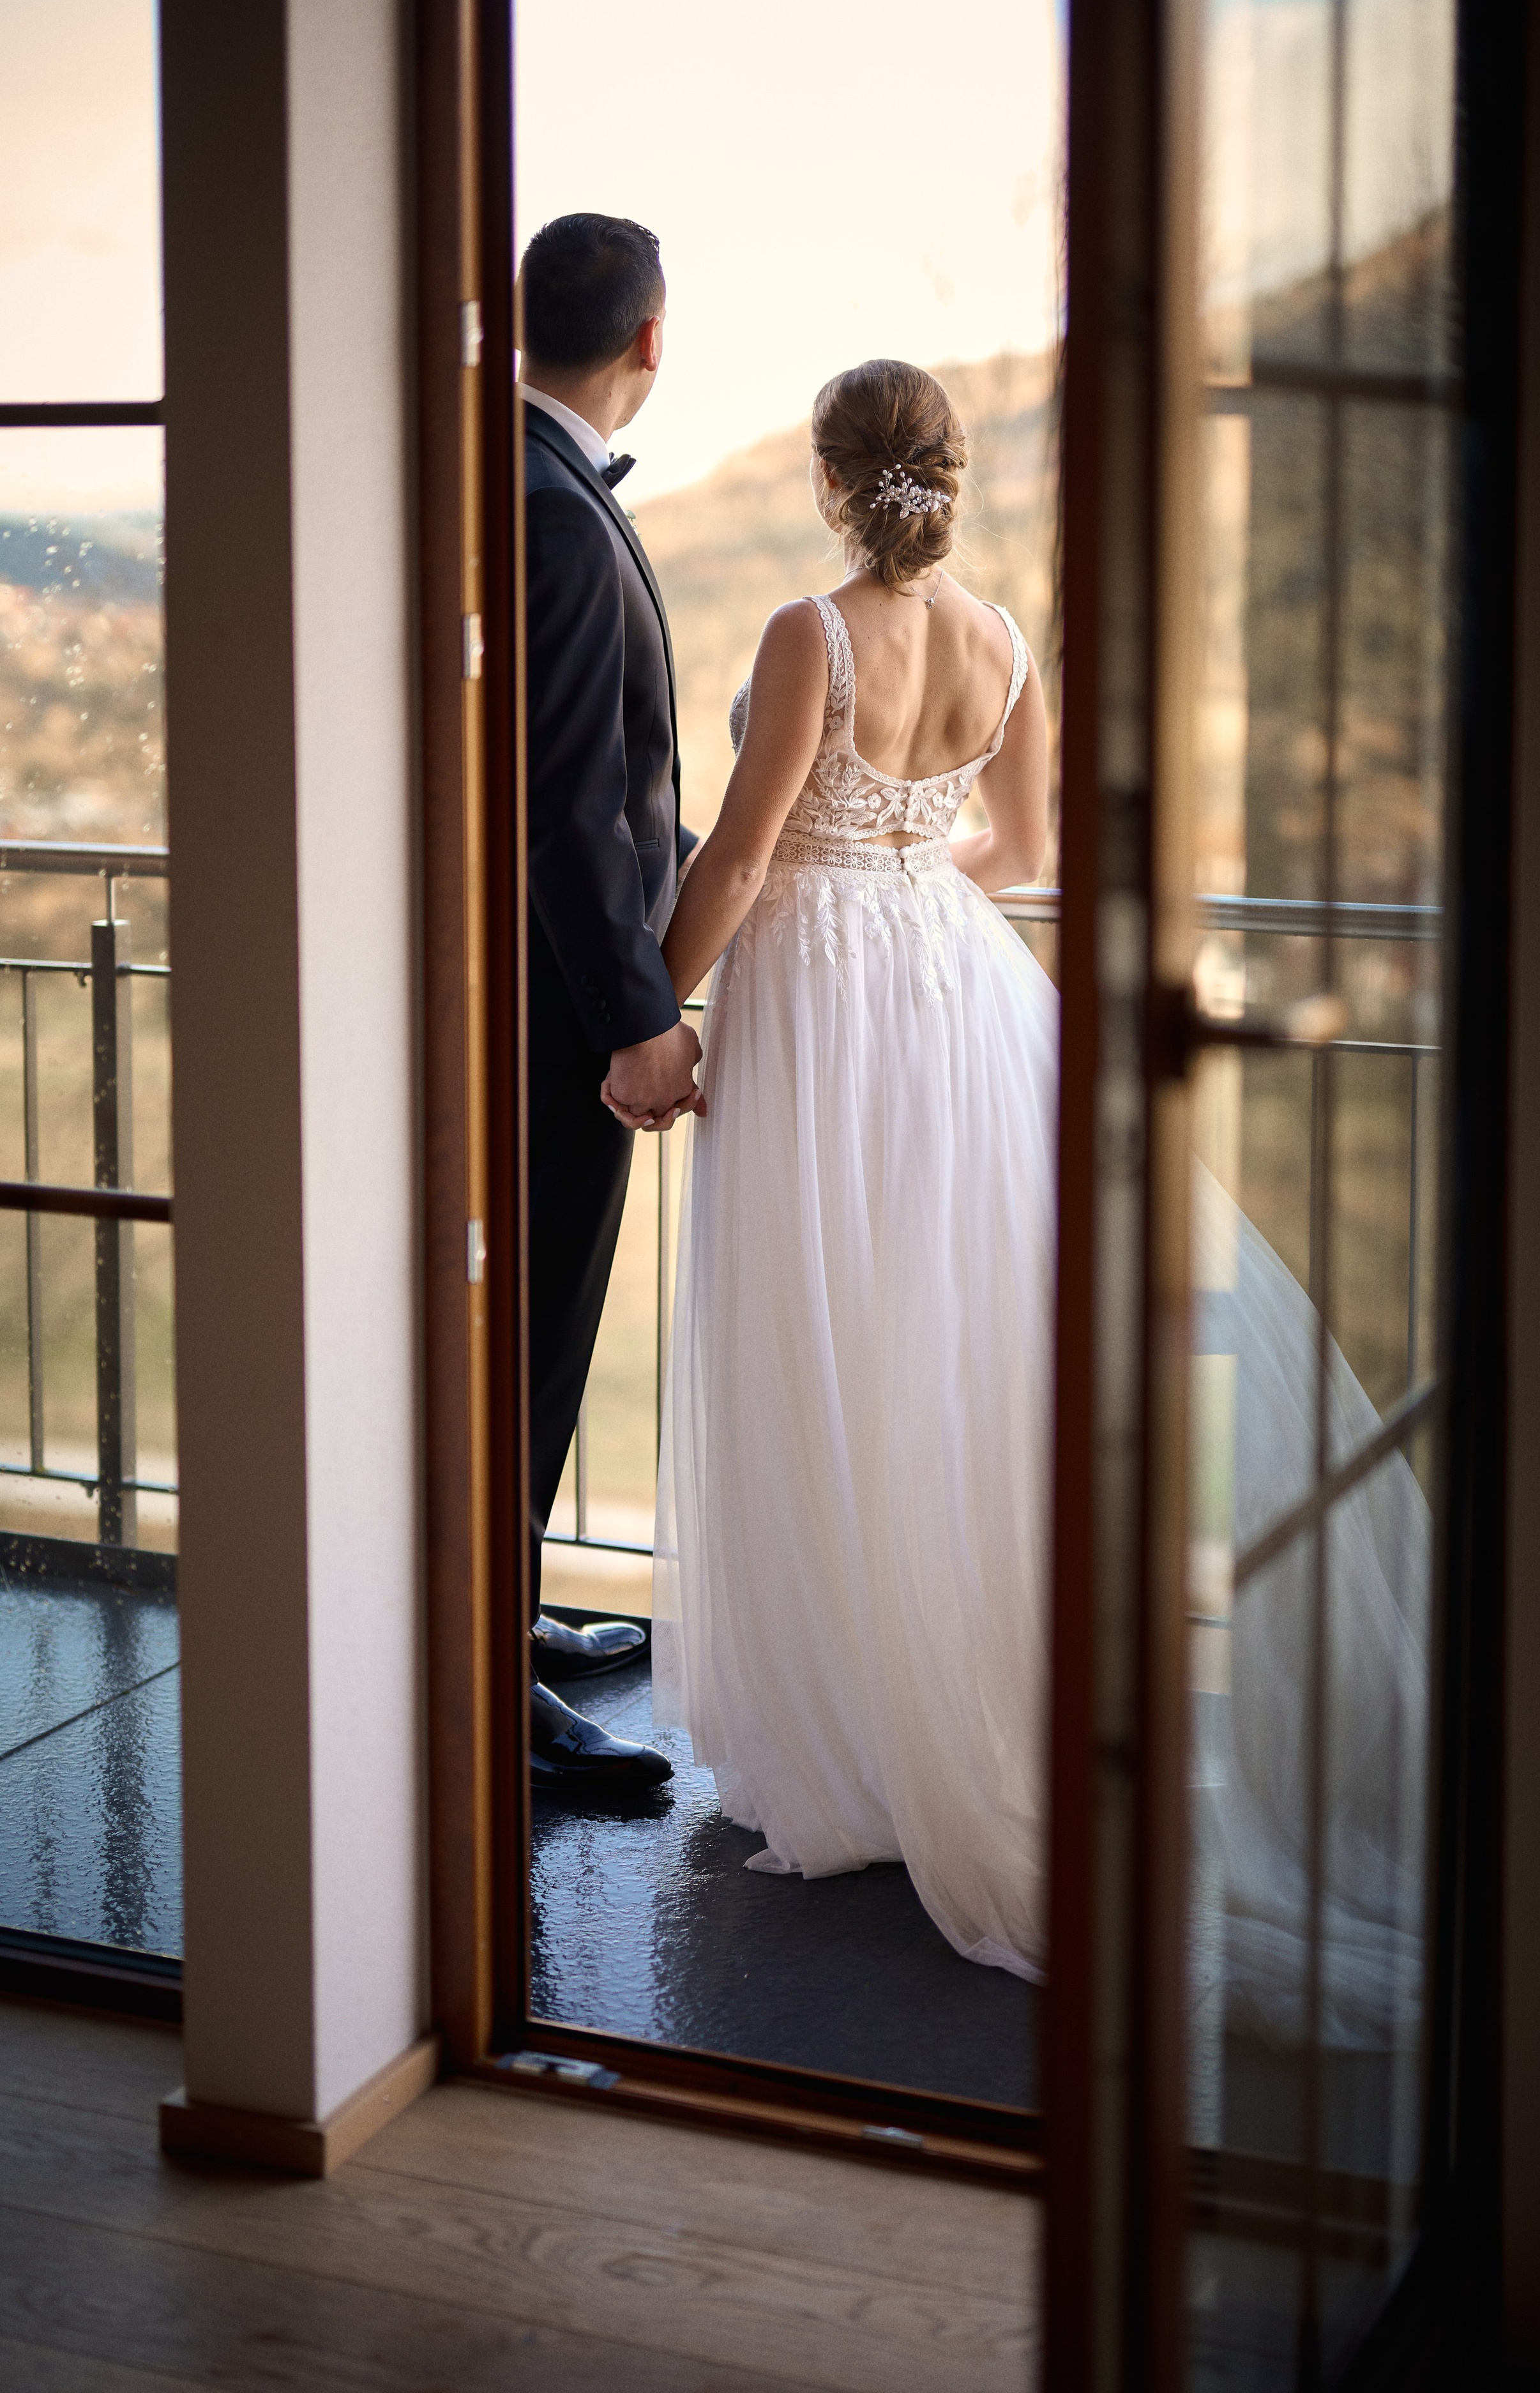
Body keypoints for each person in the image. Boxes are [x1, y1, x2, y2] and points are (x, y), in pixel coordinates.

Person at [638, 360, 1056, 1979]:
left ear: (829, 479)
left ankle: (851, 1739)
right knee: (930, 1350)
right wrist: (893, 869)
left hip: (816, 997)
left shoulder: (807, 633)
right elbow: (1018, 854)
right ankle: (935, 1718)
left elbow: (739, 852)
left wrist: (653, 1008)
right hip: (946, 992)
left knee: (816, 1342)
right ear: (944, 476)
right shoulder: (1002, 640)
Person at [520, 212, 704, 1789]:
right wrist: (640, 1019)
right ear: (650, 339)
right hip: (551, 1019)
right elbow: (572, 807)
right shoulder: (558, 520)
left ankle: (498, 1613)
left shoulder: (524, 479)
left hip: (537, 993)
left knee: (527, 1324)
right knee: (531, 1327)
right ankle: (488, 1678)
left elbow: (625, 798)